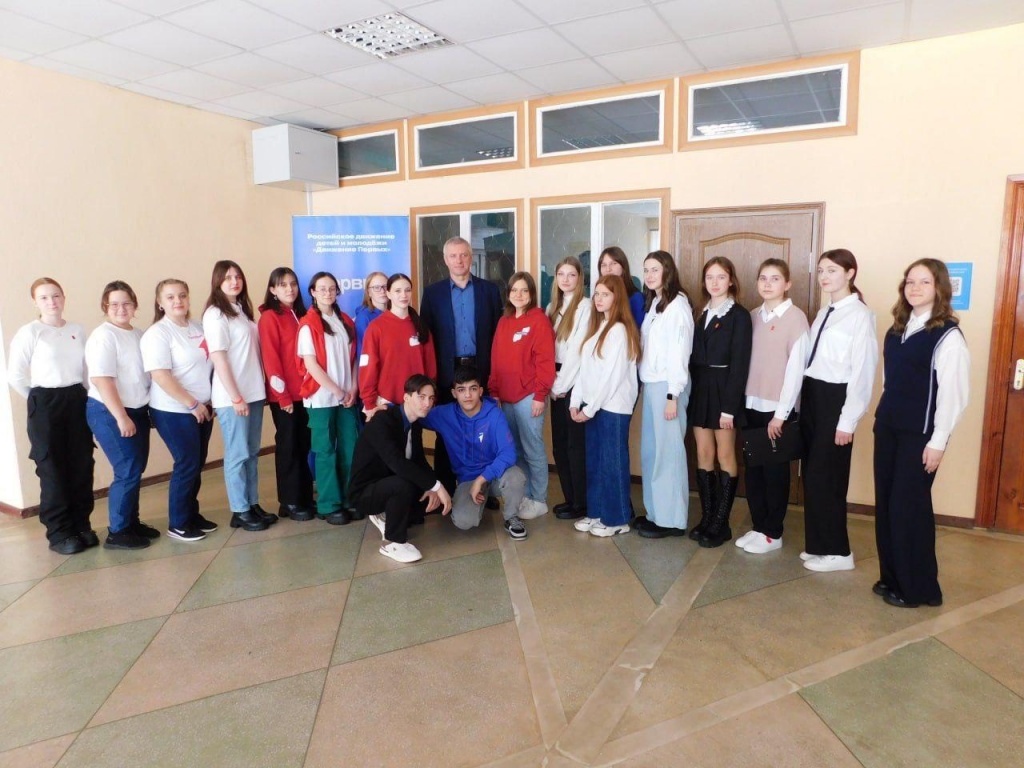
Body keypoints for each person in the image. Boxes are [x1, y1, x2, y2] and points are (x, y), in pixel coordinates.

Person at [873, 259, 969, 607]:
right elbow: (891, 382)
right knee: (886, 504)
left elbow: (954, 396)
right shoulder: (896, 330)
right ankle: (892, 577)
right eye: (910, 282)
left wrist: (938, 442)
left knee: (908, 508)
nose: (914, 288)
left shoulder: (947, 336)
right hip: (889, 427)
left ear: (939, 288)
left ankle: (917, 589)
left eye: (924, 282)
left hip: (921, 434)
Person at [801, 249, 878, 572]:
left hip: (836, 399)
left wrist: (848, 420)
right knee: (813, 474)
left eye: (832, 270)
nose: (824, 276)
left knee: (829, 476)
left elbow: (863, 371)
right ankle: (818, 545)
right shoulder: (825, 312)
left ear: (850, 273)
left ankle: (838, 552)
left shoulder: (860, 315)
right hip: (813, 395)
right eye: (821, 270)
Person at [7, 278, 95, 554]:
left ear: (64, 297)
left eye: (56, 295)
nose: (51, 302)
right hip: (45, 402)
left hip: (76, 398)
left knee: (82, 465)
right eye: (44, 297)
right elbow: (15, 375)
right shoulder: (30, 332)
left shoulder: (77, 330)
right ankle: (60, 533)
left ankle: (81, 525)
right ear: (35, 302)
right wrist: (39, 401)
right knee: (52, 469)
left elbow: (86, 370)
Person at [735, 259, 809, 554]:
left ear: (787, 284)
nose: (767, 284)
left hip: (777, 410)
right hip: (751, 404)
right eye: (763, 278)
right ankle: (758, 526)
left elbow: (795, 370)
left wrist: (781, 415)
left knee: (775, 472)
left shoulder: (796, 319)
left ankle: (773, 532)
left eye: (775, 278)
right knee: (754, 469)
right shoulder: (753, 316)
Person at [419, 236, 503, 491]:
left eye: (464, 255)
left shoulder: (489, 290)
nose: (459, 260)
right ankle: (445, 489)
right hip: (447, 373)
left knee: (482, 432)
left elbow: (498, 335)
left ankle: (484, 489)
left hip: (480, 370)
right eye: (453, 256)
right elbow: (426, 338)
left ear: (471, 257)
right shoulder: (432, 294)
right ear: (445, 260)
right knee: (447, 433)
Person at [141, 278, 217, 542]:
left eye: (182, 295)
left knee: (197, 462)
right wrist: (191, 403)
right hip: (174, 410)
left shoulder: (197, 327)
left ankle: (191, 514)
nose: (178, 301)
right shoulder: (158, 333)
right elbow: (161, 375)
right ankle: (179, 523)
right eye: (171, 297)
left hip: (202, 407)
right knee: (186, 463)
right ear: (160, 303)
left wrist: (208, 402)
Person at [203, 260, 275, 533]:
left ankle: (252, 504)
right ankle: (240, 509)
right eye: (227, 277)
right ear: (217, 282)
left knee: (252, 453)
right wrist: (235, 397)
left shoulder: (241, 310)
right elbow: (219, 358)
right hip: (233, 397)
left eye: (237, 277)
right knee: (237, 453)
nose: (234, 282)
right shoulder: (215, 314)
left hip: (253, 392)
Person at [350, 375, 453, 564]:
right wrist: (436, 485)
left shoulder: (415, 424)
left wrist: (433, 488)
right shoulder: (383, 420)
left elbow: (420, 461)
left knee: (431, 502)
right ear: (406, 397)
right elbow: (396, 462)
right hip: (366, 492)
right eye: (421, 397)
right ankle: (392, 542)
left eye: (431, 398)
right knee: (403, 485)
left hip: (391, 481)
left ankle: (389, 515)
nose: (427, 403)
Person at [687, 256, 752, 549]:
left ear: (731, 280)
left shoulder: (739, 315)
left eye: (721, 277)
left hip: (725, 390)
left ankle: (721, 522)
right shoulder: (700, 313)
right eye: (710, 277)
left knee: (725, 454)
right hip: (701, 388)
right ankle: (708, 517)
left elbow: (740, 365)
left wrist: (729, 408)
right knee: (703, 452)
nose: (715, 282)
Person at [85, 280, 155, 550]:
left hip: (137, 410)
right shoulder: (103, 336)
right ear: (105, 307)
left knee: (135, 468)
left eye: (126, 303)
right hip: (109, 411)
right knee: (127, 469)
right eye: (114, 304)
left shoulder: (138, 334)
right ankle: (117, 531)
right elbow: (103, 380)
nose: (121, 308)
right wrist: (121, 417)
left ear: (135, 306)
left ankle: (131, 522)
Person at [422, 366, 528, 539]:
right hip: (468, 480)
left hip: (495, 477)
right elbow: (416, 414)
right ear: (454, 393)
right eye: (461, 390)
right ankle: (479, 501)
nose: (467, 395)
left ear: (480, 391)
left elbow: (508, 453)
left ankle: (511, 517)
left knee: (515, 476)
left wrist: (481, 480)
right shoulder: (444, 414)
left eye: (472, 389)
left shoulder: (494, 415)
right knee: (463, 521)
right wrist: (385, 410)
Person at [571, 275, 640, 538]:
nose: (599, 299)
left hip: (612, 407)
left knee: (613, 463)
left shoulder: (619, 330)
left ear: (617, 297)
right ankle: (597, 512)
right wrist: (576, 402)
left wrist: (590, 408)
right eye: (597, 293)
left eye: (605, 294)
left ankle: (617, 518)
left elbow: (612, 377)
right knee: (595, 462)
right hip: (593, 405)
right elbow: (585, 370)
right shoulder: (597, 327)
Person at [488, 272, 556, 520]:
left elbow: (545, 361)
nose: (519, 295)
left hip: (529, 397)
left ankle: (539, 499)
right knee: (515, 450)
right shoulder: (504, 321)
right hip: (506, 398)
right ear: (508, 294)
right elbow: (496, 359)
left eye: (524, 290)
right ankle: (525, 496)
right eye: (514, 290)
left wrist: (540, 395)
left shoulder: (539, 320)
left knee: (533, 448)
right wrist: (494, 391)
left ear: (532, 294)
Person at [637, 251, 694, 538]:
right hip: (653, 386)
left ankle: (671, 521)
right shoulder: (655, 303)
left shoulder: (678, 306)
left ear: (667, 271)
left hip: (669, 388)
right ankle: (655, 513)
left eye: (655, 269)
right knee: (652, 452)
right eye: (646, 269)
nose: (649, 275)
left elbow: (679, 354)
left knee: (668, 454)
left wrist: (673, 396)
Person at [298, 271, 360, 526]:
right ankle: (328, 504)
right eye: (322, 288)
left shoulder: (345, 321)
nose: (327, 292)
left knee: (350, 447)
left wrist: (352, 388)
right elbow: (311, 365)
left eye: (332, 288)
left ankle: (348, 498)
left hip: (346, 397)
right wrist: (337, 391)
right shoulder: (308, 324)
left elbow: (353, 359)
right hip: (321, 397)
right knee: (325, 451)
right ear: (313, 292)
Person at [258, 267, 315, 521]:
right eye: (282, 285)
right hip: (285, 397)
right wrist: (282, 397)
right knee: (288, 447)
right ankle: (289, 501)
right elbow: (271, 360)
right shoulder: (270, 317)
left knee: (303, 446)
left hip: (306, 395)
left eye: (293, 284)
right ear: (273, 289)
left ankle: (303, 497)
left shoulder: (302, 315)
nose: (289, 289)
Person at [547, 256, 591, 520]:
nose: (565, 279)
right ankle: (570, 498)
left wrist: (561, 385)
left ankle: (582, 503)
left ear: (580, 278)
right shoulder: (552, 307)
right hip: (554, 381)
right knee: (560, 444)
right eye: (561, 274)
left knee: (576, 446)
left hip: (574, 382)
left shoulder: (586, 307)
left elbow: (577, 350)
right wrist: (552, 383)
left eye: (571, 274)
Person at [359, 273, 437, 418]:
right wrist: (369, 402)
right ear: (388, 293)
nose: (403, 295)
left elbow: (430, 366)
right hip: (386, 403)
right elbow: (368, 367)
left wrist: (428, 396)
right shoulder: (376, 327)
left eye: (407, 290)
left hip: (417, 403)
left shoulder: (420, 326)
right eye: (398, 291)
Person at [598, 246, 644, 329]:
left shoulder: (636, 298)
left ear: (623, 266)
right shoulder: (598, 297)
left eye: (613, 264)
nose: (608, 269)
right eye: (603, 265)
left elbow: (637, 331)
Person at [354, 270, 388, 362]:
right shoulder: (363, 318)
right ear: (368, 292)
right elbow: (364, 351)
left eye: (385, 286)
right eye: (376, 287)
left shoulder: (395, 313)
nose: (382, 291)